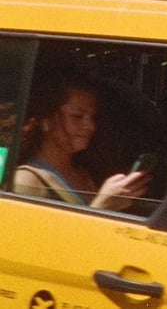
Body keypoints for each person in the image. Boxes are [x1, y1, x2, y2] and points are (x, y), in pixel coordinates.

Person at [13, 76, 150, 210]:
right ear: (46, 121)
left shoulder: (83, 174)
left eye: (92, 117)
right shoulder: (25, 181)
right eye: (77, 116)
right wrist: (102, 206)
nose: (90, 126)